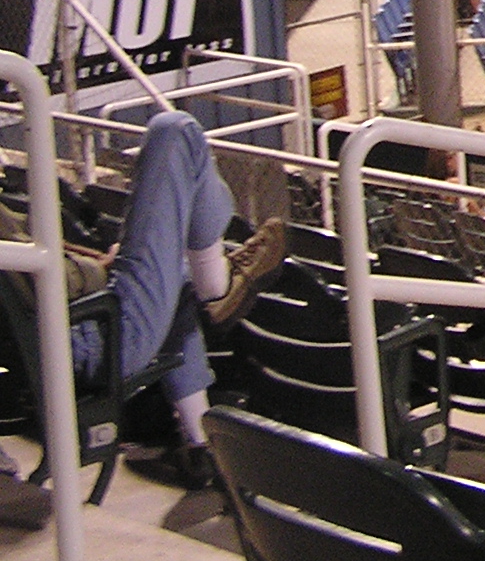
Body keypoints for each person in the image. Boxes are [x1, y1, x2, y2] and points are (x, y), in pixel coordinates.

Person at [0, 110, 287, 488]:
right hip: (93, 339)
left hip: (48, 339)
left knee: (178, 276)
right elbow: (38, 281)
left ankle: (200, 444)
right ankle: (216, 284)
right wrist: (103, 269)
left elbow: (29, 267)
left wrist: (95, 263)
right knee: (176, 132)